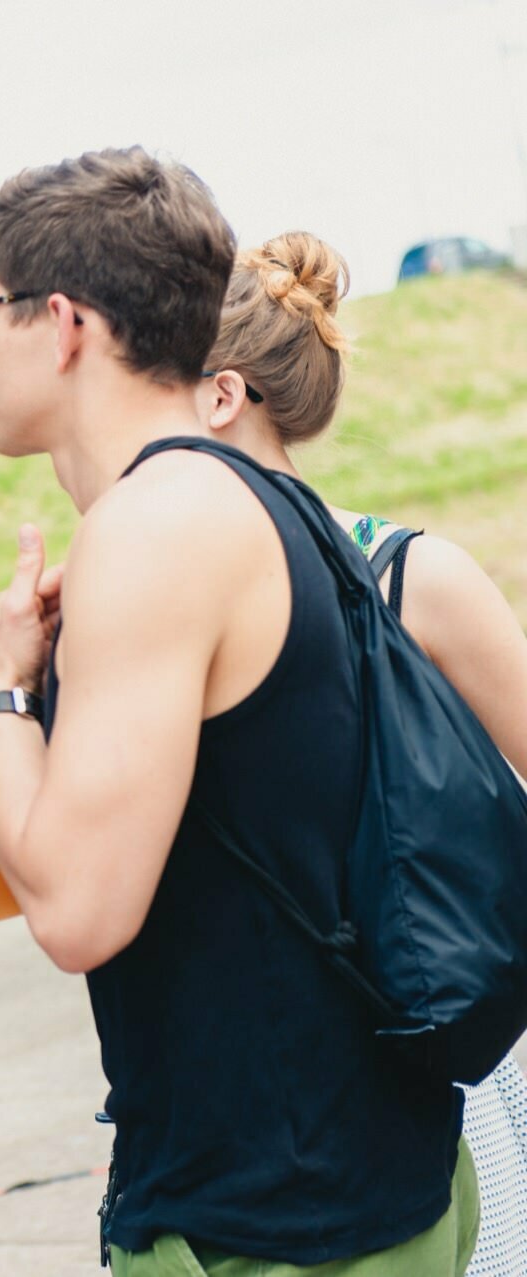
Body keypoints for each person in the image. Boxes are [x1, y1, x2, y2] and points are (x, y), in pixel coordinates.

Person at [0, 149, 475, 1274]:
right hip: (350, 1173)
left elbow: (78, 911)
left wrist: (2, 692)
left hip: (277, 1217)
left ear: (65, 322)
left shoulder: (153, 527)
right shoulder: (254, 498)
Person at [197, 231, 527, 1277]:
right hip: (259, 1093)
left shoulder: (410, 574)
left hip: (435, 1053)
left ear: (222, 395)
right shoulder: (165, 606)